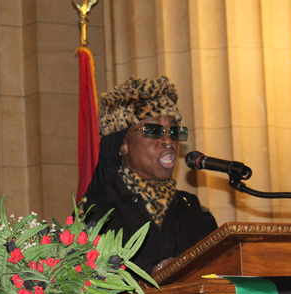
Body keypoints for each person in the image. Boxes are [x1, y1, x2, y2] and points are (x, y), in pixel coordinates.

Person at [79, 76, 218, 275]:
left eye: (174, 131)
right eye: (153, 130)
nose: (168, 141)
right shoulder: (97, 209)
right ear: (123, 144)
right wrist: (153, 271)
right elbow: (89, 279)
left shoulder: (194, 209)